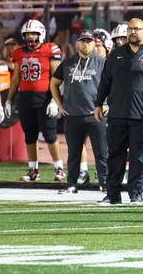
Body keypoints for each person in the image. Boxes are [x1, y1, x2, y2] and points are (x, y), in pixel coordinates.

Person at [94, 18, 143, 204]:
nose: (133, 32)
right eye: (130, 29)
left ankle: (136, 194)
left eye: (137, 29)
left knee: (139, 156)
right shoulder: (116, 54)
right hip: (117, 114)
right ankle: (112, 195)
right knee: (115, 156)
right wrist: (98, 103)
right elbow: (105, 82)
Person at [4, 20, 64, 182]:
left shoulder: (50, 49)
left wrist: (54, 100)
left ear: (42, 34)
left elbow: (58, 77)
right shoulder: (18, 52)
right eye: (27, 35)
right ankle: (33, 170)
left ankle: (59, 169)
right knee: (30, 135)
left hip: (44, 97)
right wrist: (9, 100)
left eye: (33, 35)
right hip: (25, 98)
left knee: (50, 134)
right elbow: (16, 79)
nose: (30, 38)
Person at [50, 31, 108, 194]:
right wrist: (59, 103)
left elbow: (114, 84)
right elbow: (54, 83)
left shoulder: (102, 62)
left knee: (101, 152)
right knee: (73, 153)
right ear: (77, 44)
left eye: (89, 41)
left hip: (95, 114)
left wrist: (107, 103)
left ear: (94, 43)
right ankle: (71, 184)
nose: (86, 44)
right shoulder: (68, 63)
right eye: (83, 41)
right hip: (73, 115)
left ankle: (104, 183)